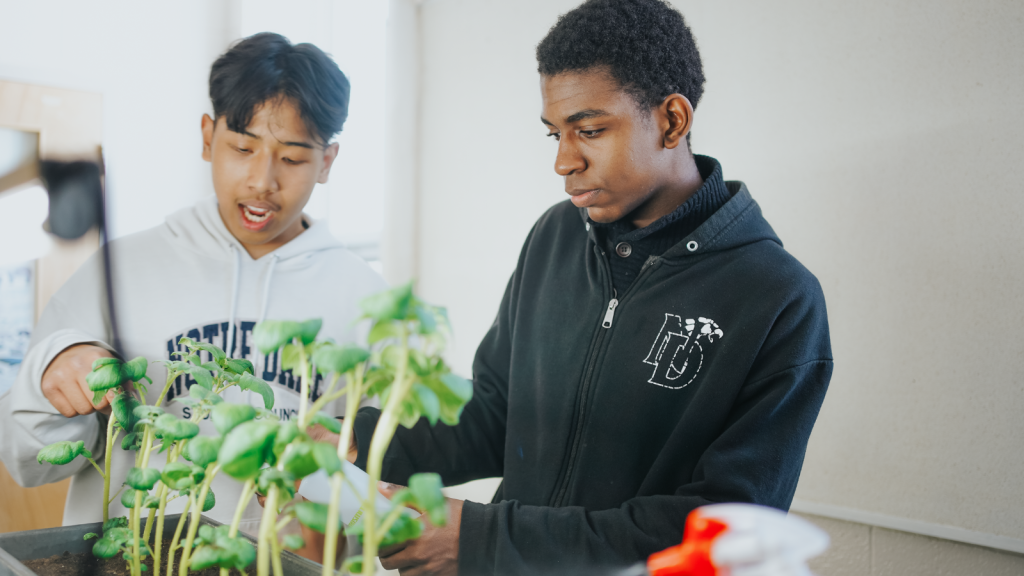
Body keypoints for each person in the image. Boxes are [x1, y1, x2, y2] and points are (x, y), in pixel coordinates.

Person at [346, 1, 832, 574]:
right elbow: (492, 419)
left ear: (673, 120)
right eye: (555, 133)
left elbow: (720, 535)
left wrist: (481, 539)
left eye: (591, 130)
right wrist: (350, 438)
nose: (563, 161)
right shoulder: (556, 236)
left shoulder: (777, 298)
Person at [0, 33, 386, 539]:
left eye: (292, 159)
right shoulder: (120, 270)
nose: (261, 180)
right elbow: (29, 462)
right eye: (243, 148)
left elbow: (381, 476)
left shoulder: (367, 299)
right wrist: (54, 377)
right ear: (208, 137)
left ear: (328, 161)